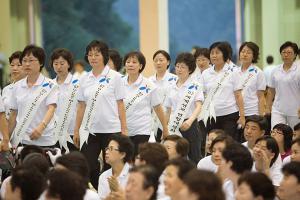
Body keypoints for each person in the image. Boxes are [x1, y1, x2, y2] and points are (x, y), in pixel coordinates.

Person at [73, 40, 127, 188]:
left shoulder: (115, 77)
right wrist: (76, 130)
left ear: (104, 56)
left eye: (97, 54)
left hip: (112, 130)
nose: (93, 57)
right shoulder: (84, 78)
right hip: (90, 131)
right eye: (90, 54)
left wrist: (124, 129)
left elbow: (120, 104)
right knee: (87, 165)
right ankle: (96, 192)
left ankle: (112, 194)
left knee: (111, 167)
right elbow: (81, 106)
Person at [9, 45, 58, 148]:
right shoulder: (17, 86)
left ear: (40, 63)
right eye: (24, 60)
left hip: (45, 140)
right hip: (22, 141)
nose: (27, 64)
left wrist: (41, 128)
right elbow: (13, 114)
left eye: (31, 60)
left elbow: (51, 109)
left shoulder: (50, 85)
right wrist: (7, 139)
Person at [123, 51, 168, 155]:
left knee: (136, 158)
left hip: (141, 130)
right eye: (128, 62)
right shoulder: (120, 83)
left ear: (140, 66)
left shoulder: (149, 85)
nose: (130, 64)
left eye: (134, 62)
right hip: (123, 130)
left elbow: (158, 108)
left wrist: (165, 128)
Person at [200, 41, 245, 141]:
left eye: (217, 53)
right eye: (212, 53)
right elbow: (203, 95)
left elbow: (238, 95)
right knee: (213, 143)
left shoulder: (234, 71)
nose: (214, 56)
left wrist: (242, 116)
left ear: (225, 54)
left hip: (229, 115)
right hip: (211, 116)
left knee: (228, 144)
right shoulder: (206, 73)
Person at [165, 52, 204, 164]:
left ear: (190, 69)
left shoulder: (195, 85)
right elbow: (168, 109)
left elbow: (198, 106)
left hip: (189, 125)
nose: (179, 69)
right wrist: (166, 127)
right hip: (174, 125)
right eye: (177, 66)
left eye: (183, 67)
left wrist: (190, 121)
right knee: (174, 157)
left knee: (194, 157)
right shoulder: (171, 86)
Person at [266, 41, 300, 129]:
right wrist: (268, 107)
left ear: (295, 55)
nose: (286, 55)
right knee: (276, 134)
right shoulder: (275, 70)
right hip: (278, 110)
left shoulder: (298, 70)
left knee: (295, 137)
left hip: (296, 111)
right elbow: (271, 90)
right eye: (283, 52)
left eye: (289, 52)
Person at [50, 48, 78, 152]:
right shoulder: (50, 85)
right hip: (54, 133)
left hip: (72, 132)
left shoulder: (78, 83)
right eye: (55, 63)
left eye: (62, 63)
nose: (58, 67)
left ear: (69, 64)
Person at [149, 50, 177, 142]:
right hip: (153, 120)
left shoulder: (175, 79)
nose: (158, 63)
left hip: (171, 120)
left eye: (161, 60)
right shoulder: (149, 81)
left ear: (168, 62)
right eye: (156, 60)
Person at [98, 134, 134, 199]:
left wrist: (117, 190)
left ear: (122, 154)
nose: (106, 152)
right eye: (107, 148)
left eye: (111, 149)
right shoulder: (103, 177)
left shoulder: (135, 174)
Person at [238, 42, 266, 123]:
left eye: (248, 52)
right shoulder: (234, 72)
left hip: (252, 113)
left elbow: (261, 97)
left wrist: (261, 117)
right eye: (243, 51)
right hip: (236, 112)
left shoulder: (258, 72)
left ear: (254, 56)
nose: (245, 54)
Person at [2, 51, 25, 118]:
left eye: (19, 65)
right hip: (8, 126)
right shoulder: (6, 89)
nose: (14, 68)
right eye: (12, 65)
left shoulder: (31, 88)